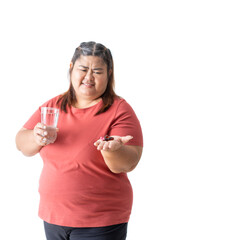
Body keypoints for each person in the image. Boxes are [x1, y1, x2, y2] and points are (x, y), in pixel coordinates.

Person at [15, 41, 143, 240]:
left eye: (98, 71)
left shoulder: (119, 110)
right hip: (54, 217)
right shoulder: (53, 106)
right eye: (83, 69)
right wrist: (35, 136)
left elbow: (127, 163)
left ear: (109, 74)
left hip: (100, 222)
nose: (89, 78)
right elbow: (21, 144)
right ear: (71, 68)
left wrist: (112, 149)